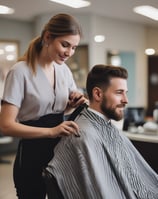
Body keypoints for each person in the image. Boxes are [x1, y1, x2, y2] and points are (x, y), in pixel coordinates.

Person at [0, 13, 87, 199]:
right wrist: (51, 131)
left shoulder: (63, 70)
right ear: (47, 37)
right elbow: (6, 125)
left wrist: (73, 104)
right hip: (32, 155)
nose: (69, 52)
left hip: (60, 153)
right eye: (65, 45)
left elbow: (60, 111)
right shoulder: (20, 72)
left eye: (73, 47)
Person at [45, 64, 158, 199]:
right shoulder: (82, 136)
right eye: (119, 93)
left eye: (125, 93)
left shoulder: (106, 127)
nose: (126, 100)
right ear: (98, 94)